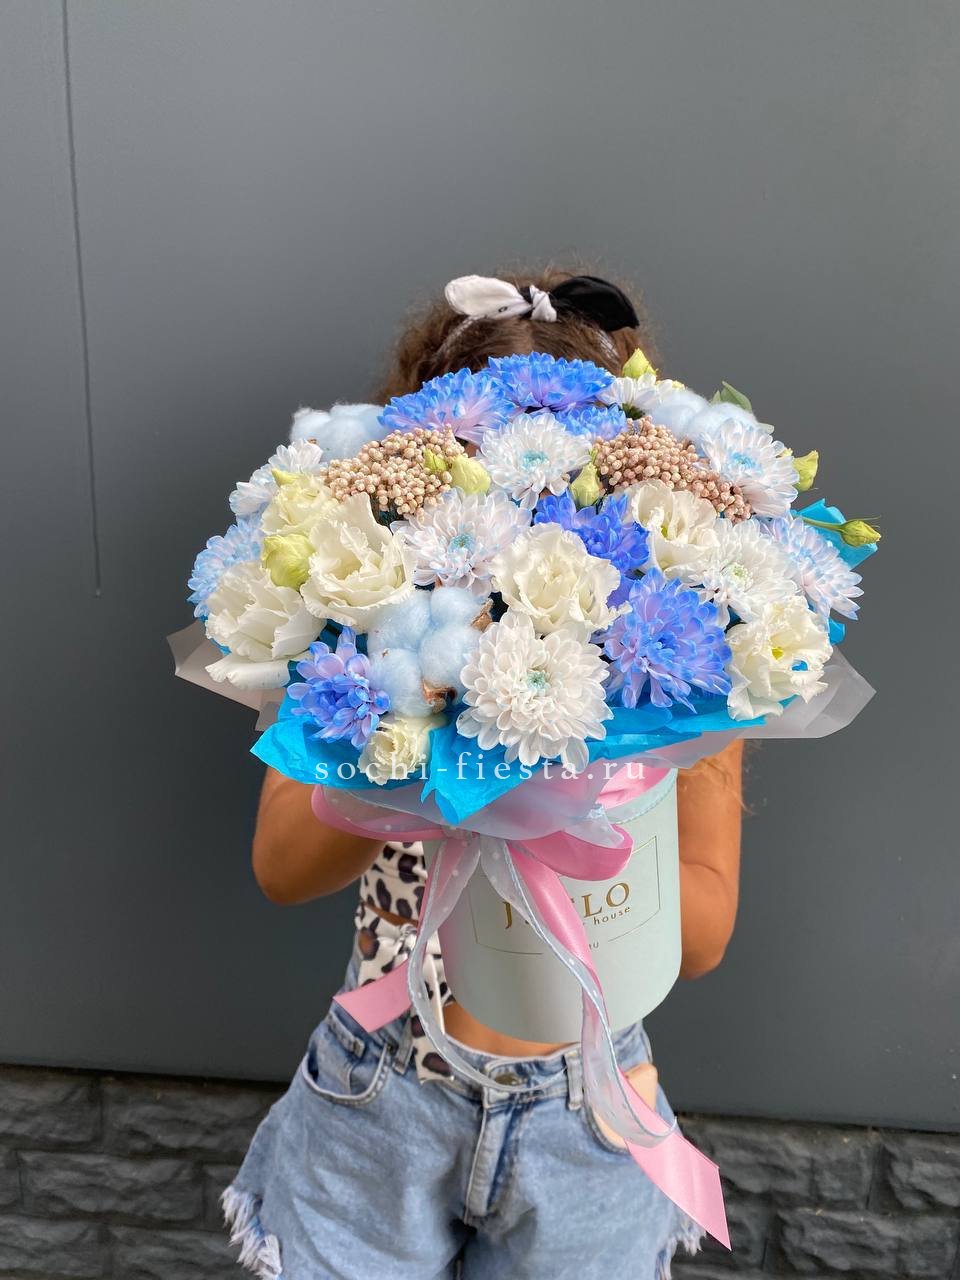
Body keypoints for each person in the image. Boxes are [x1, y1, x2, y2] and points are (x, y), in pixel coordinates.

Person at [222, 266, 743, 1280]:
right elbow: (282, 865)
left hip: (588, 1107)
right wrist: (424, 742)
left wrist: (578, 785)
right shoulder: (355, 645)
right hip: (380, 1094)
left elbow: (708, 930)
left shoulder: (688, 662)